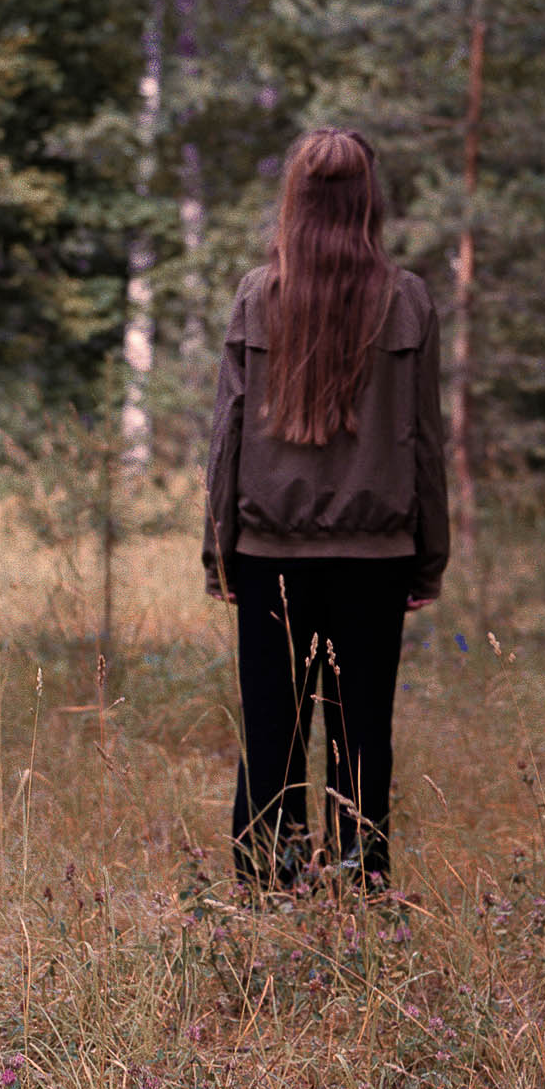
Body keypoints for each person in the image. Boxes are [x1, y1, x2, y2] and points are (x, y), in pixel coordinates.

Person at [203, 128, 449, 891]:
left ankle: (267, 886)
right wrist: (427, 557)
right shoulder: (407, 298)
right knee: (361, 732)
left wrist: (220, 554)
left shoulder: (258, 294)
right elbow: (425, 440)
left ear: (297, 199)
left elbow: (227, 436)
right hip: (376, 556)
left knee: (271, 735)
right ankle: (359, 885)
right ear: (370, 200)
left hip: (268, 554)